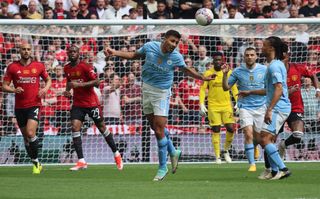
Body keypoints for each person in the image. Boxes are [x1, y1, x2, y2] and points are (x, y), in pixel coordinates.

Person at [104, 30, 215, 181]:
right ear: (164, 39)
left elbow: (186, 70)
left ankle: (163, 167)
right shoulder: (150, 47)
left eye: (176, 42)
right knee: (154, 127)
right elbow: (133, 56)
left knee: (159, 130)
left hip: (162, 93)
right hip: (146, 89)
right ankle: (174, 151)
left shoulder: (176, 56)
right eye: (172, 41)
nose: (174, 45)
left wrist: (202, 77)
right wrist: (114, 52)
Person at [63, 45, 123, 171]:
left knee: (102, 128)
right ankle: (81, 161)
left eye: (75, 51)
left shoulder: (86, 66)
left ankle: (117, 154)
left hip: (91, 103)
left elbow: (96, 82)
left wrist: (79, 85)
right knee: (75, 127)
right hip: (78, 104)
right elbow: (69, 83)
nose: (72, 53)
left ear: (78, 54)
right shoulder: (66, 68)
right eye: (70, 52)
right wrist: (67, 91)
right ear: (68, 54)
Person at [2, 43, 52, 174]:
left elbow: (48, 80)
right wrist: (13, 89)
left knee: (31, 133)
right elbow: (4, 86)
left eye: (28, 49)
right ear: (20, 51)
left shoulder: (38, 66)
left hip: (34, 105)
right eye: (23, 49)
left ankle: (35, 162)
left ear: (31, 51)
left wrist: (45, 89)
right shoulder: (12, 67)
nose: (26, 51)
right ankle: (36, 162)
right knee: (26, 138)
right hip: (19, 108)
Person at [222, 47, 267, 171]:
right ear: (244, 56)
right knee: (248, 134)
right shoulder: (237, 71)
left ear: (256, 56)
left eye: (252, 55)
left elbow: (269, 90)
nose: (250, 57)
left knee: (260, 139)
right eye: (247, 55)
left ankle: (261, 157)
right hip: (245, 107)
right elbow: (226, 88)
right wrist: (225, 74)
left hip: (261, 107)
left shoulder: (264, 70)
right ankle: (252, 164)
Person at [257, 36, 291, 180]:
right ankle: (275, 171)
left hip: (278, 107)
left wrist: (270, 109)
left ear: (271, 48)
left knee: (264, 139)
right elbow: (272, 89)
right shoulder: (274, 64)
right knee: (266, 139)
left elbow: (279, 89)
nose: (261, 48)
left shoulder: (274, 66)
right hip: (277, 106)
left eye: (264, 45)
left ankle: (283, 169)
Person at [277, 48, 320, 159]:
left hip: (295, 107)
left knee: (298, 135)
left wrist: (317, 90)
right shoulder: (273, 70)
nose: (282, 57)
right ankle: (270, 166)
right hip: (278, 107)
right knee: (270, 139)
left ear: (288, 56)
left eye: (284, 54)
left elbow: (312, 75)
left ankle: (283, 145)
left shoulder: (297, 67)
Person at [199, 52, 238, 164]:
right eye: (215, 60)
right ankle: (217, 157)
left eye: (219, 60)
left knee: (231, 128)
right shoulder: (208, 73)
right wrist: (201, 103)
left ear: (222, 61)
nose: (217, 62)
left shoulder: (228, 73)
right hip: (213, 106)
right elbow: (202, 89)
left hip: (226, 105)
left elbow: (234, 88)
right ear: (212, 61)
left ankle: (225, 150)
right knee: (216, 129)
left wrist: (237, 101)